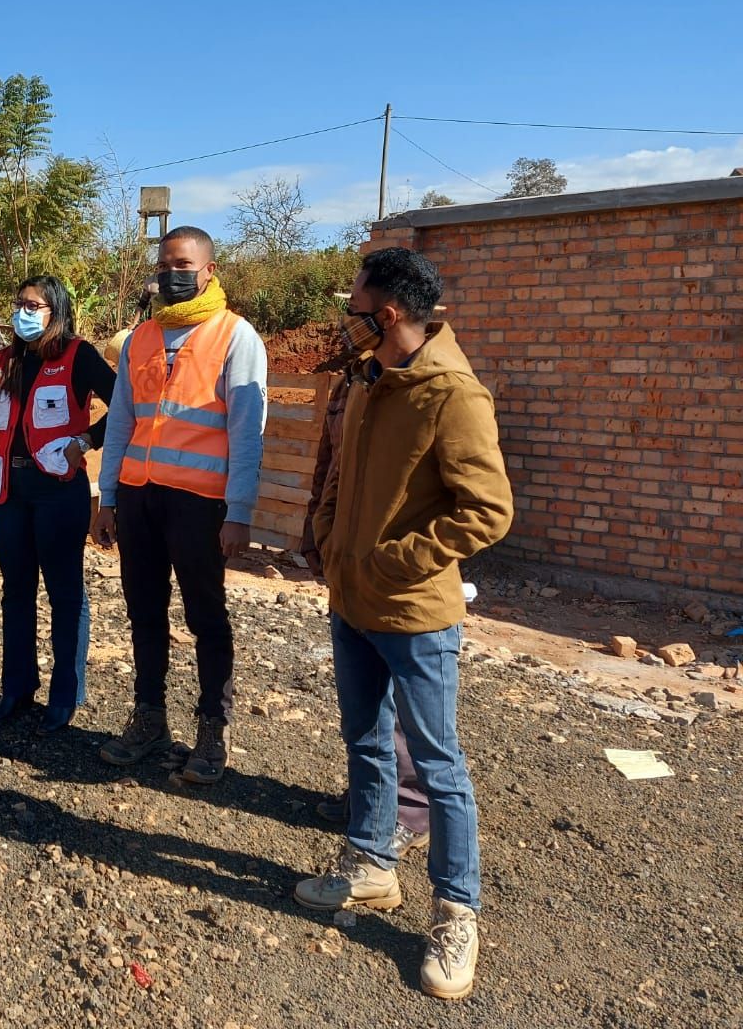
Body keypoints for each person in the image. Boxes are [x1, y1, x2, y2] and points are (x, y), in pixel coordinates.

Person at [295, 247, 513, 1002]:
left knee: (440, 766)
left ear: (385, 314)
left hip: (414, 613)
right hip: (351, 602)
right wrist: (329, 541)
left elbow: (488, 510)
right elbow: (341, 473)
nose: (345, 317)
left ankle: (457, 913)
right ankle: (371, 867)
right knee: (364, 739)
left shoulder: (452, 393)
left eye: (353, 304)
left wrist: (392, 562)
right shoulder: (367, 379)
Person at [92, 225, 267, 783]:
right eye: (165, 264)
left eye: (184, 264)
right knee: (144, 612)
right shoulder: (142, 336)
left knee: (206, 618)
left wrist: (239, 511)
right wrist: (108, 497)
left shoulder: (236, 337)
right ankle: (150, 719)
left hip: (199, 505)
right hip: (140, 500)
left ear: (209, 270)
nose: (172, 273)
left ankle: (213, 728)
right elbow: (121, 421)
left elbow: (247, 432)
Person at [0, 275, 113, 735]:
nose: (23, 312)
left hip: (57, 491)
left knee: (65, 593)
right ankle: (17, 688)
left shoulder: (78, 355)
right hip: (9, 490)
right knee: (16, 591)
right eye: (19, 303)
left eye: (35, 306)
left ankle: (66, 693)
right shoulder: (2, 361)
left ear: (57, 313)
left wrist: (86, 440)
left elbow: (125, 406)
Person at [302, 363, 430, 855]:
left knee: (401, 692)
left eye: (358, 307)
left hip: (392, 561)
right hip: (347, 553)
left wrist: (406, 557)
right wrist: (316, 530)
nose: (348, 321)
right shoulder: (351, 382)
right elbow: (328, 461)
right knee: (365, 693)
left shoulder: (421, 386)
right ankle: (371, 796)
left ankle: (412, 812)